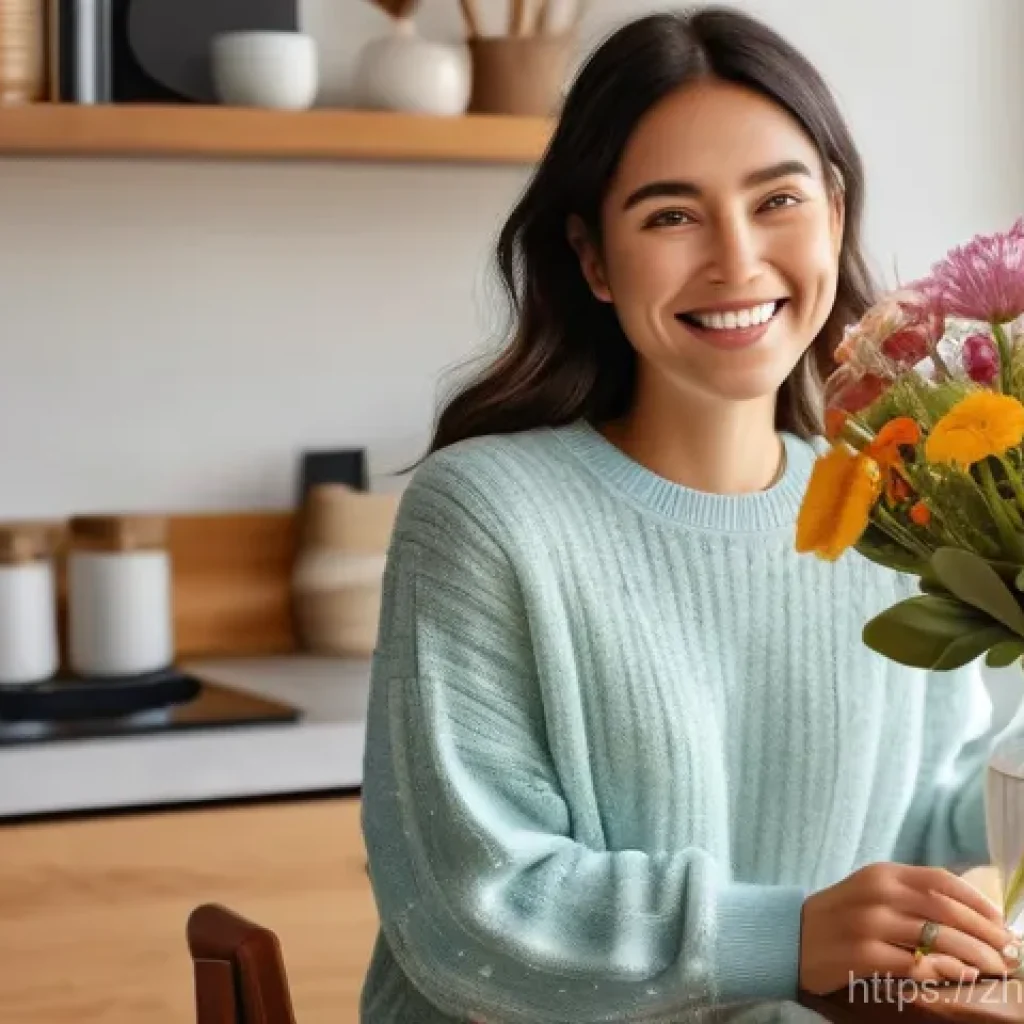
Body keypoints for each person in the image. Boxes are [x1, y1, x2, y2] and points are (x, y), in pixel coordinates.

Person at [358, 6, 1023, 1022]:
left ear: (834, 215)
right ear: (592, 257)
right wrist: (785, 936)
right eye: (671, 216)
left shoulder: (887, 509)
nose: (736, 261)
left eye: (778, 200)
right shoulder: (486, 513)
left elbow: (929, 827)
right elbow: (473, 904)